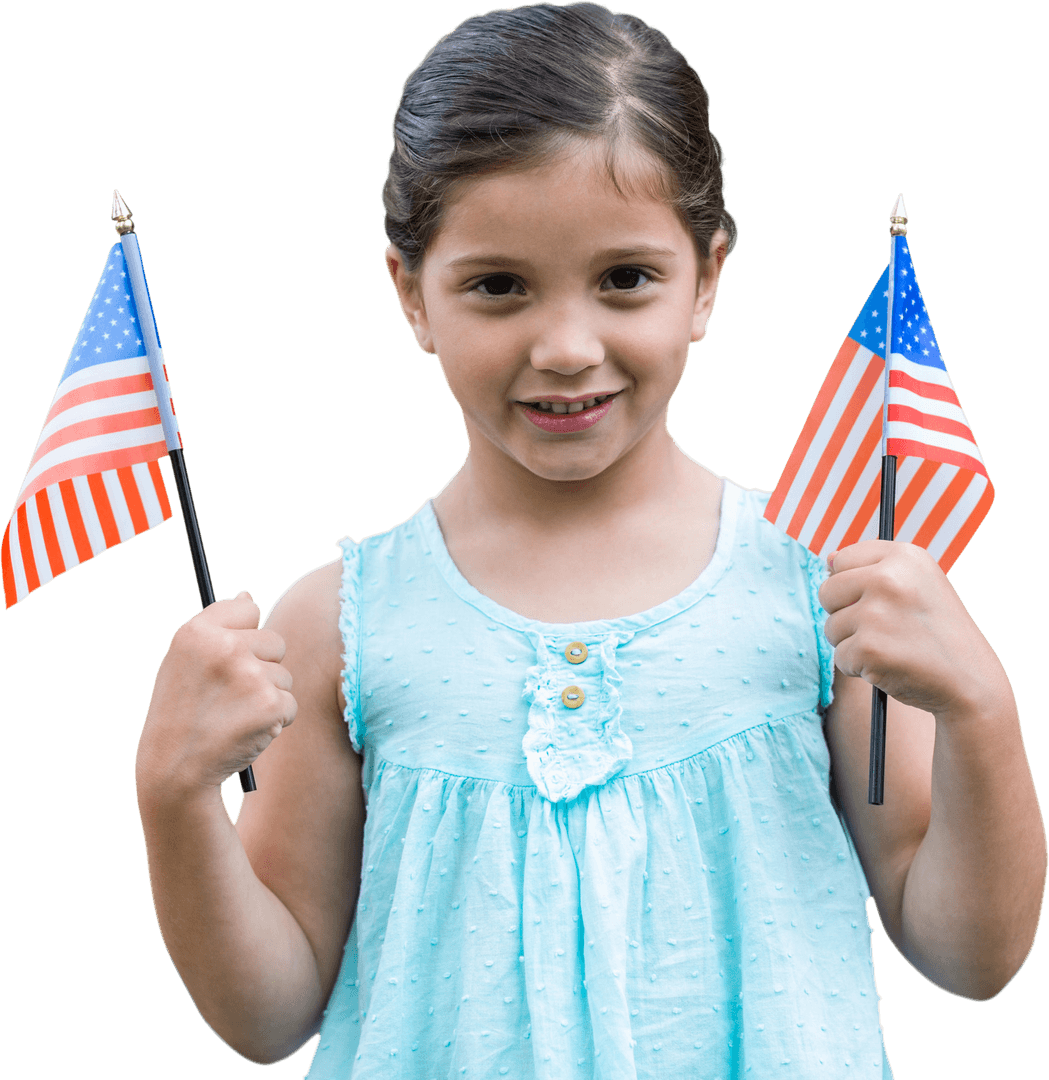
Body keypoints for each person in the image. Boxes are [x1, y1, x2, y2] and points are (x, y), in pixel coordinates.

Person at [134, 4, 1046, 1076]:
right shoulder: (337, 625)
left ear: (704, 278)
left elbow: (966, 952)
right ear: (410, 293)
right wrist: (173, 794)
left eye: (624, 279)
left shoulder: (824, 587)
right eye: (497, 286)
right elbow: (269, 1011)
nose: (567, 347)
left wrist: (981, 709)